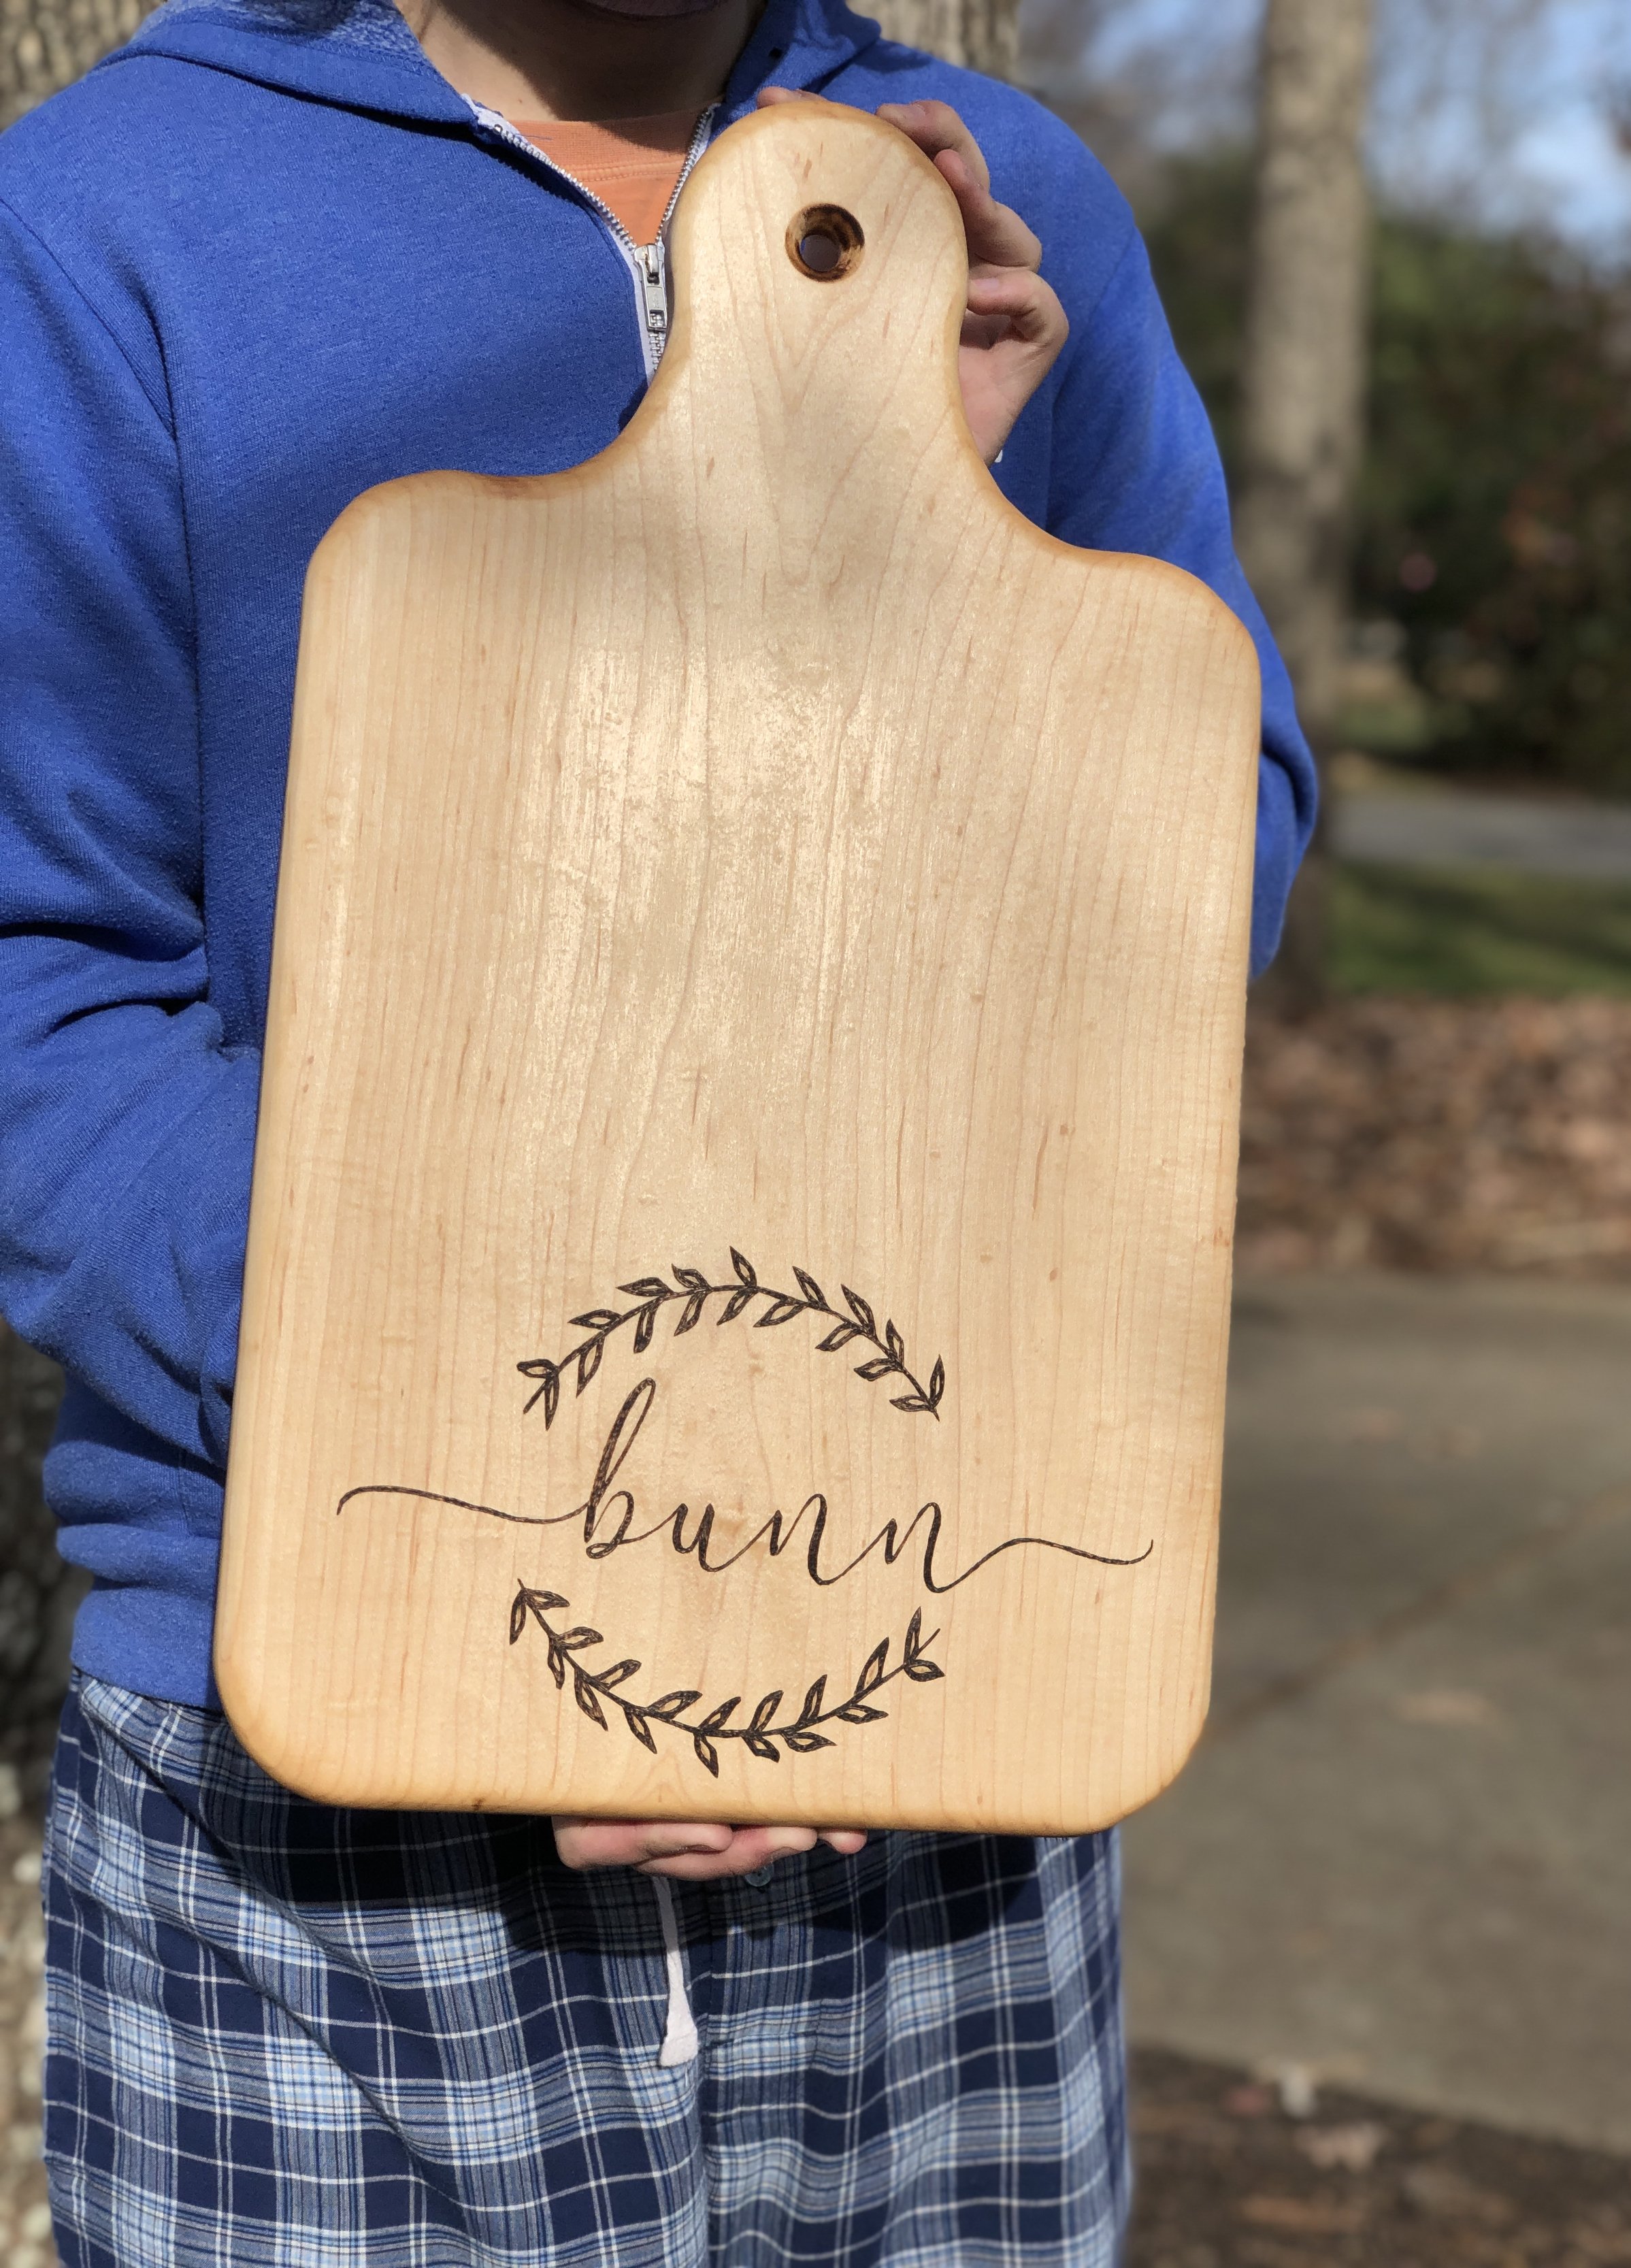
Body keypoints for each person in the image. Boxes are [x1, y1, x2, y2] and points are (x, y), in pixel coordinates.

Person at [0, 0, 1315, 2251]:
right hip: (331, 1737)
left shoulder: (998, 188)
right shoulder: (113, 215)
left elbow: (1197, 896)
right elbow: (40, 985)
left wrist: (957, 556)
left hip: (938, 1718)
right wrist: (536, 1504)